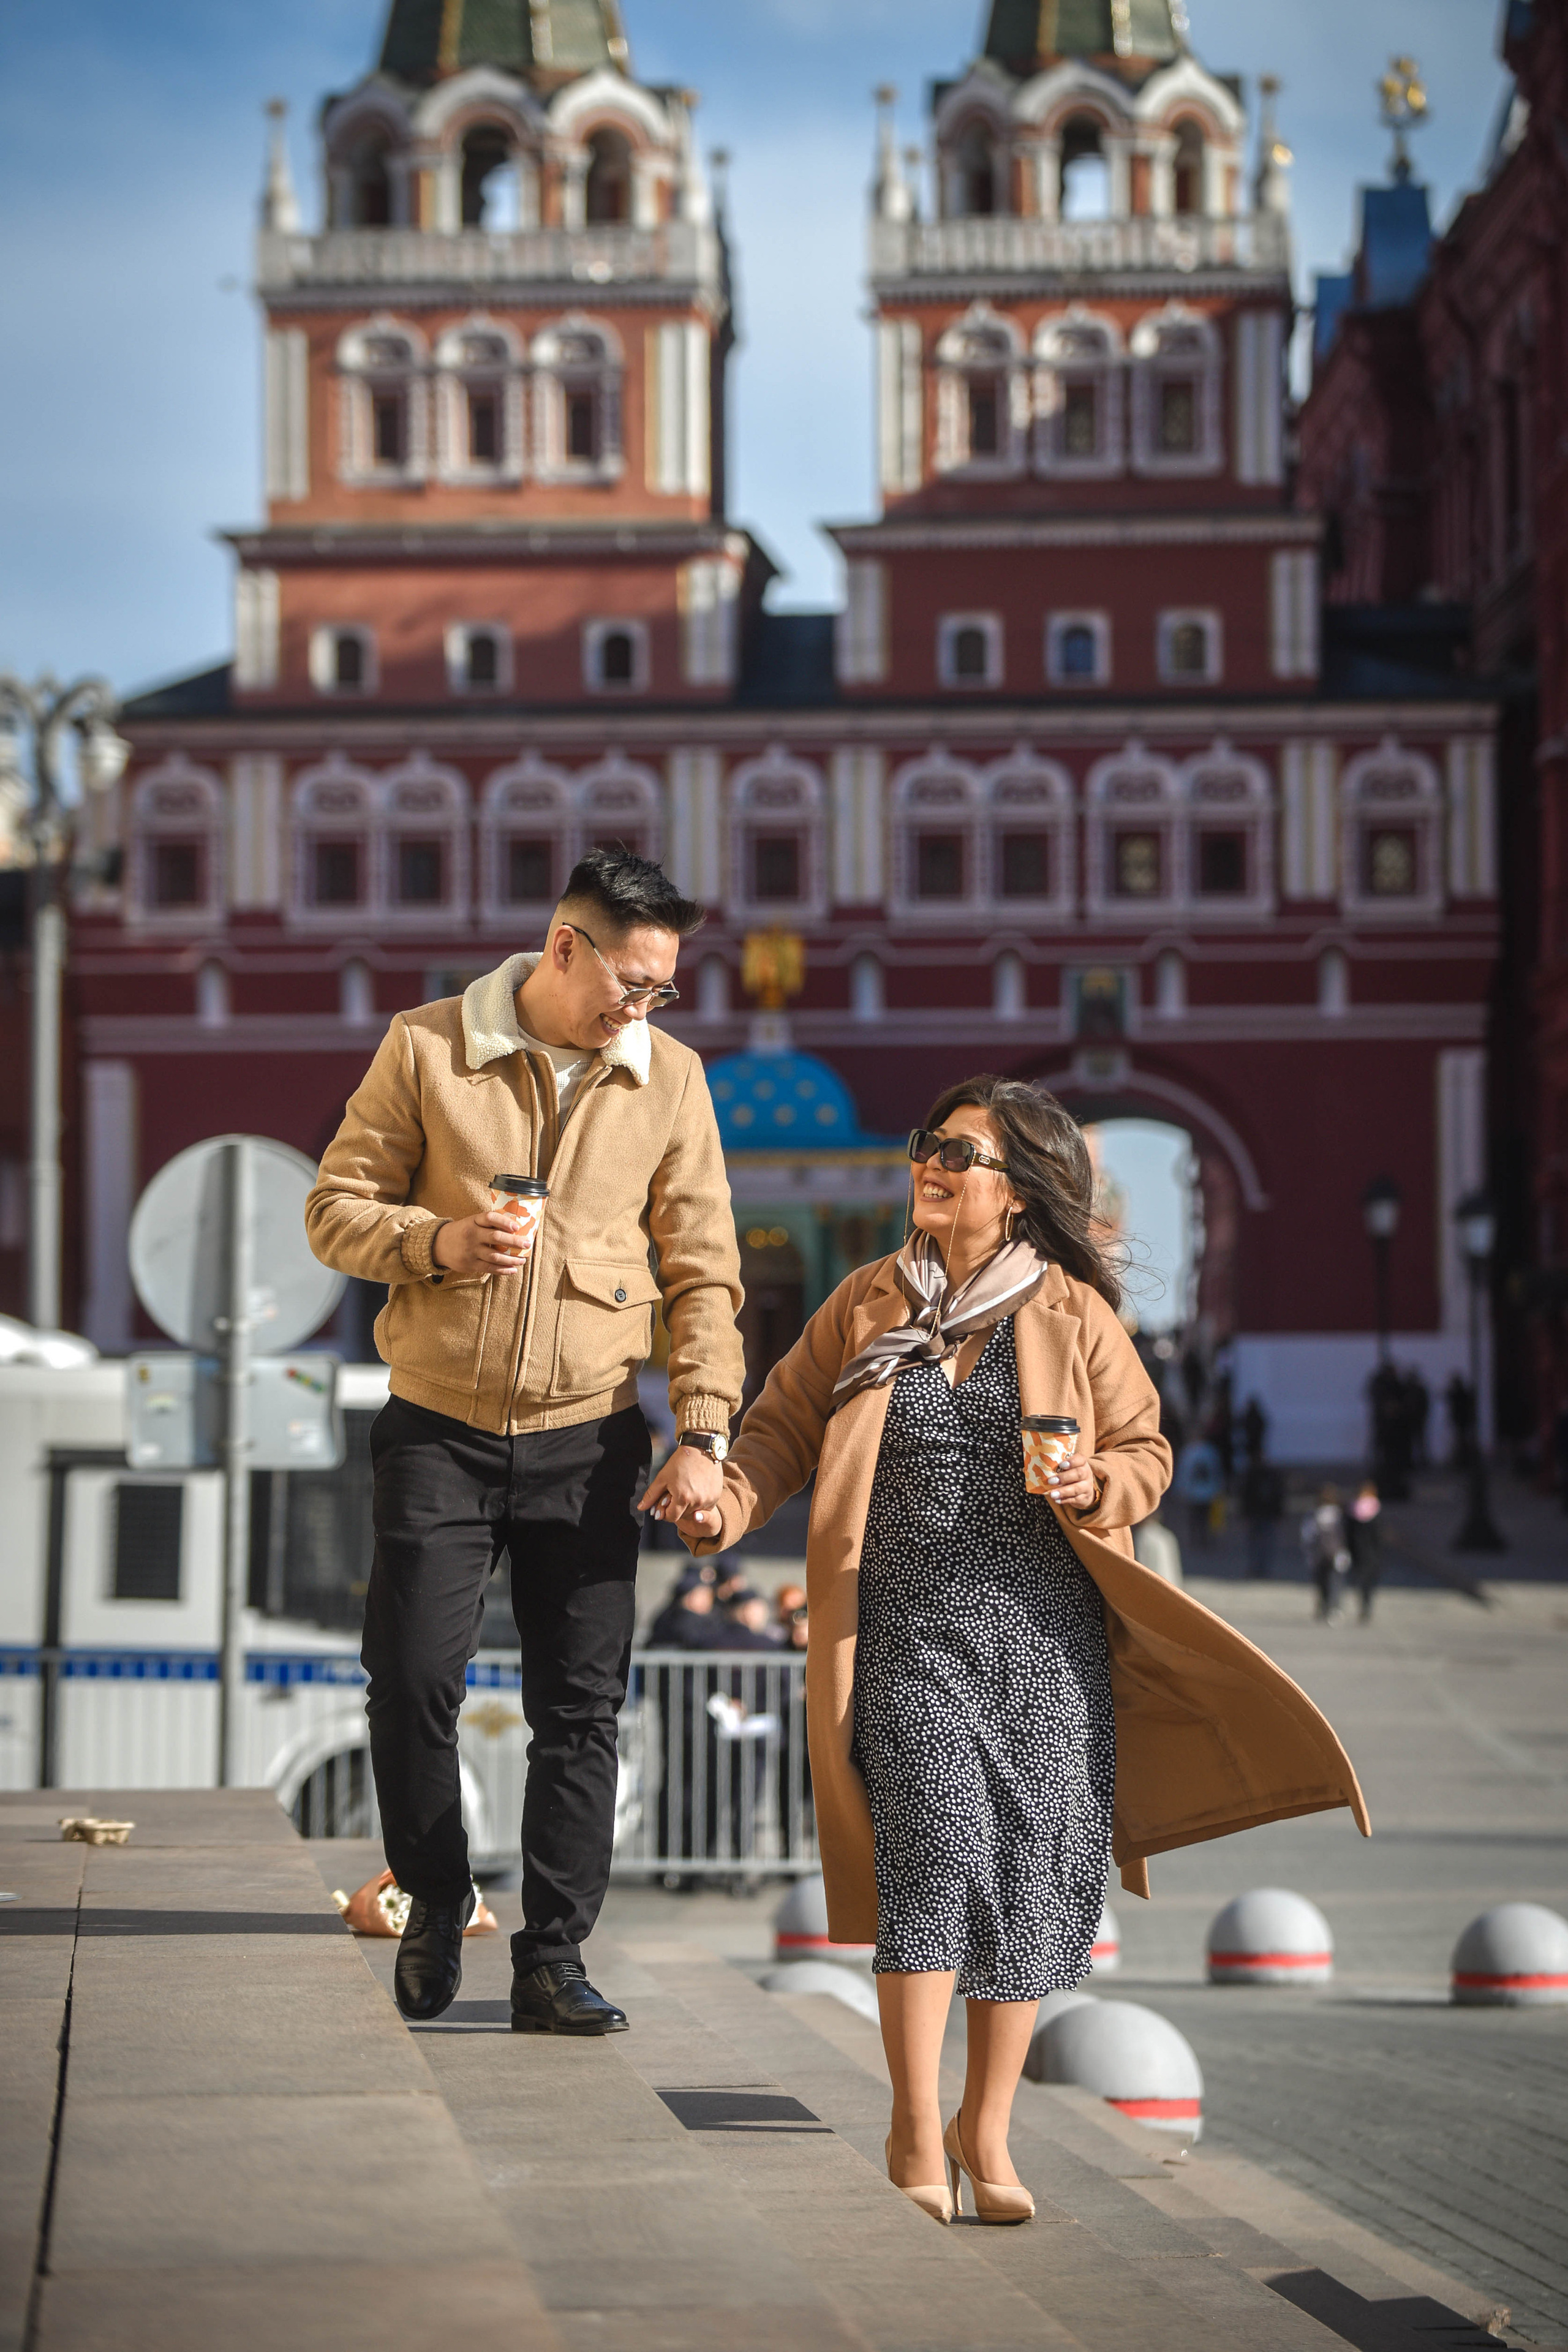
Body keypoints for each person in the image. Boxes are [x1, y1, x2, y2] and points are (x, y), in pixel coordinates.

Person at [676, 1075, 1368, 2227]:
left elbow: (1146, 1445)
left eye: (961, 1151)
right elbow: (782, 1429)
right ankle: (911, 2120)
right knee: (936, 1851)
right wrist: (726, 1502)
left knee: (1035, 1882)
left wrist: (1101, 1481)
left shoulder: (1071, 1315)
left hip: (1048, 1642)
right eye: (927, 1143)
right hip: (903, 1634)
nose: (932, 1163)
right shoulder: (863, 1303)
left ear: (1018, 1192)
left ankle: (983, 2129)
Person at [304, 849, 745, 2034]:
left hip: (589, 1433)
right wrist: (439, 1245)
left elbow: (705, 1276)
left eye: (661, 993)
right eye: (631, 982)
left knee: (581, 1707)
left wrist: (701, 1436)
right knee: (409, 1683)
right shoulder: (426, 1046)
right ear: (565, 947)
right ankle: (438, 1898)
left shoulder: (672, 1081)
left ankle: (553, 1958)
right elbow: (333, 1209)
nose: (640, 1010)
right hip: (435, 1429)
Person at [1302, 1486, 1349, 1621]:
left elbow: (1307, 1536)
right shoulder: (1335, 1515)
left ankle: (1327, 1607)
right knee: (1331, 1582)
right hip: (1330, 1554)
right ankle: (1330, 1607)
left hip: (1324, 1554)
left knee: (1326, 1582)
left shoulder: (1318, 1515)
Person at [1240, 1453, 1286, 1580]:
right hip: (1261, 1514)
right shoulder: (1259, 1476)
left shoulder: (1259, 1476)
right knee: (1262, 1543)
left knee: (1261, 1543)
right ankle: (1259, 1568)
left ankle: (1260, 1568)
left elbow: (1278, 1496)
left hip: (1262, 1514)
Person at [1345, 1482, 1383, 1622]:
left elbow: (1347, 1534)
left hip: (1357, 1552)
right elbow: (1379, 1535)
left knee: (1360, 1582)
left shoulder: (1351, 1510)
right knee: (1369, 1583)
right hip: (1372, 1553)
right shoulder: (1376, 1509)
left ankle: (1363, 1606)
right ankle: (1367, 1607)